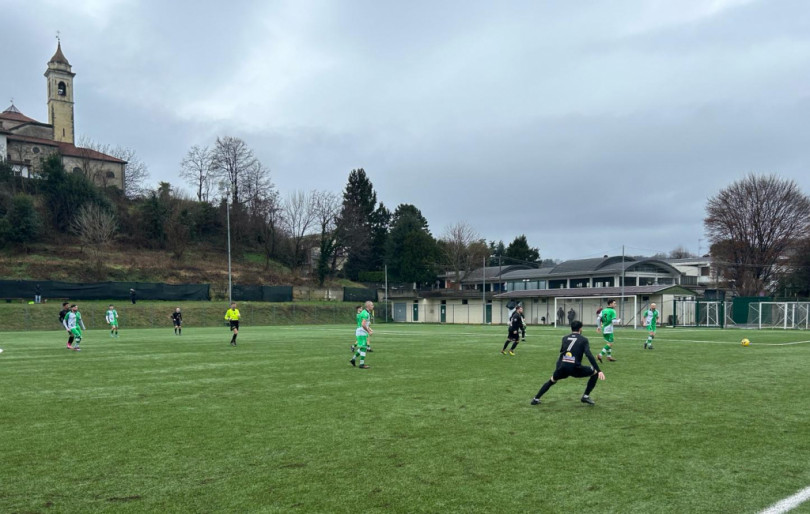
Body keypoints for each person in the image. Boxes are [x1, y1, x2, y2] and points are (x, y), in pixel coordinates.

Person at [530, 320, 606, 406]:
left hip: (563, 366)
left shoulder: (564, 338)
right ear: (580, 329)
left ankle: (535, 399)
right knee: (595, 373)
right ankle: (585, 396)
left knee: (552, 380)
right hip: (575, 368)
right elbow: (589, 355)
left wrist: (558, 369)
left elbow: (562, 354)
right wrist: (599, 370)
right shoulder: (584, 340)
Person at [351, 300, 373, 369]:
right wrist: (368, 331)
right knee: (364, 348)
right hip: (361, 332)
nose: (373, 306)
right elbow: (363, 324)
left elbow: (365, 324)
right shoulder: (365, 313)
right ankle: (361, 364)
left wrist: (369, 329)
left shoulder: (366, 312)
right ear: (368, 306)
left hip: (362, 331)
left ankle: (353, 359)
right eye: (372, 305)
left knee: (362, 348)